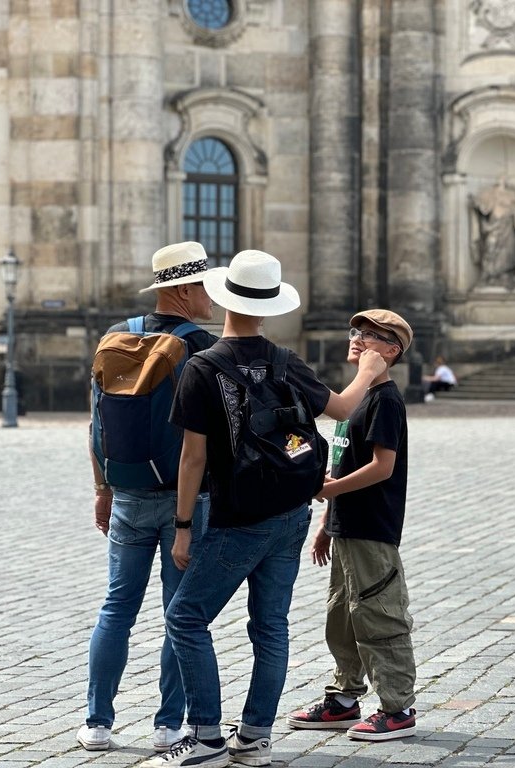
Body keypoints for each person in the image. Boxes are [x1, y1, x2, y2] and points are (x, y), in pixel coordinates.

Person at [140, 250, 387, 768]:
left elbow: (193, 459)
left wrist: (183, 528)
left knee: (185, 618)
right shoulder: (283, 360)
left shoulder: (203, 367)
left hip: (240, 517)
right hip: (292, 513)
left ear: (224, 295)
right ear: (270, 304)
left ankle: (206, 738)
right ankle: (254, 739)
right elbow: (342, 407)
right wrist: (368, 370)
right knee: (270, 626)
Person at [78, 241, 218, 753]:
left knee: (117, 607)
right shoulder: (203, 347)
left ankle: (97, 724)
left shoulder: (114, 338)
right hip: (186, 501)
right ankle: (167, 725)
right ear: (182, 290)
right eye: (203, 285)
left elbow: (96, 425)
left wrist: (102, 490)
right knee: (179, 613)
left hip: (128, 495)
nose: (211, 295)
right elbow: (209, 443)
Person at [287, 309, 418, 742]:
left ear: (392, 351)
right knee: (342, 618)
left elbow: (383, 467)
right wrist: (328, 520)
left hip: (373, 528)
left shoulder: (385, 400)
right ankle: (344, 698)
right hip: (347, 525)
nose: (358, 339)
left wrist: (333, 489)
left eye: (372, 336)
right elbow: (344, 458)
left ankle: (398, 708)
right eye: (357, 331)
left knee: (379, 616)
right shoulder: (355, 396)